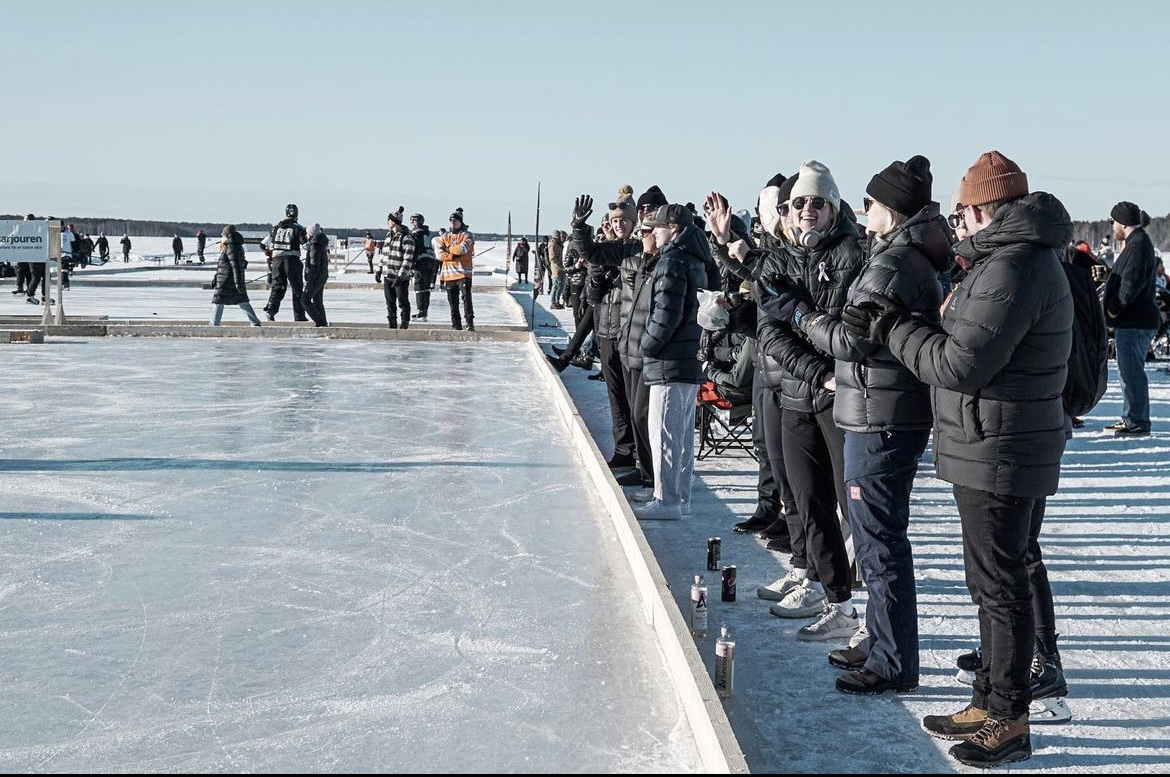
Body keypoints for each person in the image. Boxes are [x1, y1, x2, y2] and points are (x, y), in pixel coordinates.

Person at [843, 149, 1073, 767]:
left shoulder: (1014, 269)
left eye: (962, 213)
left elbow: (957, 364)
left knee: (1000, 586)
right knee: (992, 581)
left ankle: (1009, 717)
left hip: (1000, 445)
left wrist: (891, 326)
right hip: (996, 441)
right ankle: (991, 697)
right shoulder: (1009, 262)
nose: (956, 223)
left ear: (980, 210)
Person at [788, 156, 949, 693]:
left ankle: (892, 661)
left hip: (880, 415)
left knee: (879, 544)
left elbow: (853, 341)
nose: (864, 211)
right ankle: (880, 642)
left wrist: (803, 318)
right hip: (879, 409)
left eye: (871, 203)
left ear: (891, 210)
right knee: (877, 540)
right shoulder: (897, 257)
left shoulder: (894, 263)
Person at [753, 162, 864, 639]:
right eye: (799, 202)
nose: (806, 210)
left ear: (833, 207)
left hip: (843, 402)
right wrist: (817, 372)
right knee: (808, 503)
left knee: (853, 508)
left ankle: (875, 616)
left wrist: (801, 317)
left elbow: (842, 326)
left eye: (817, 202)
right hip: (800, 394)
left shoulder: (850, 252)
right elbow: (768, 331)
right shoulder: (779, 257)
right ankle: (837, 603)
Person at [614, 201, 708, 520]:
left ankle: (666, 500)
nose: (653, 232)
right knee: (680, 434)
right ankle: (679, 496)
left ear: (674, 229)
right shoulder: (696, 257)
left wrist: (648, 346)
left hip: (670, 360)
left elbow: (666, 313)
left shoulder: (673, 260)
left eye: (658, 227)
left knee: (665, 432)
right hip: (687, 358)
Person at [568, 187, 641, 471]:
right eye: (614, 221)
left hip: (630, 332)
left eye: (623, 220)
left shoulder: (636, 248)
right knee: (615, 395)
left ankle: (640, 453)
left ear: (633, 221)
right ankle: (623, 449)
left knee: (633, 397)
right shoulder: (613, 249)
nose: (618, 224)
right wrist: (579, 227)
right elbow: (593, 292)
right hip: (608, 331)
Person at [1101, 200, 1158, 436]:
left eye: (1114, 221)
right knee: (1128, 371)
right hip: (1134, 321)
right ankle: (1131, 417)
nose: (1112, 226)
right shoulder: (1137, 242)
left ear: (1122, 223)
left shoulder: (1137, 245)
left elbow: (1130, 283)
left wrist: (1114, 309)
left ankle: (1137, 420)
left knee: (1131, 371)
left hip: (1134, 322)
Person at [209, 224, 262, 326]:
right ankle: (254, 322)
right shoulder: (234, 245)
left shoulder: (232, 246)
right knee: (241, 301)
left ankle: (214, 324)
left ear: (227, 235)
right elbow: (226, 265)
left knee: (219, 302)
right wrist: (216, 278)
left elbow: (236, 266)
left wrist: (238, 283)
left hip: (227, 280)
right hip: (227, 279)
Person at [264, 203, 308, 322]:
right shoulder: (298, 228)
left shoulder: (276, 228)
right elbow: (306, 246)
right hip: (292, 260)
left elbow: (265, 244)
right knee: (297, 289)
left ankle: (270, 311)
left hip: (277, 261)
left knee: (277, 287)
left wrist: (269, 255)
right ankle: (299, 316)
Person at [436, 207, 476, 331]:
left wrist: (448, 249)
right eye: (451, 221)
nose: (453, 223)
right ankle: (456, 324)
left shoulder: (467, 235)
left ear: (460, 222)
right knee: (452, 302)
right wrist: (453, 254)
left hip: (463, 272)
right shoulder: (445, 236)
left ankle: (469, 322)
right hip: (448, 274)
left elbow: (463, 249)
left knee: (466, 298)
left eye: (456, 221)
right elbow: (439, 254)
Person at [379, 207, 417, 329]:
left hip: (400, 277)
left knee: (402, 302)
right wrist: (379, 269)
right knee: (390, 303)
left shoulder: (407, 238)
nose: (387, 222)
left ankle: (404, 324)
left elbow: (408, 259)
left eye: (388, 220)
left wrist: (400, 276)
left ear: (393, 221)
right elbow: (384, 254)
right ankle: (392, 325)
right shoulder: (388, 235)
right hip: (387, 275)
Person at [409, 214, 437, 322]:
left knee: (419, 286)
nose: (411, 224)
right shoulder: (427, 232)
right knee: (426, 287)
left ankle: (421, 311)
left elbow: (416, 248)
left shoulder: (416, 232)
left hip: (422, 260)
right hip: (431, 259)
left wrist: (412, 264)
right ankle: (424, 312)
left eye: (412, 222)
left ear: (416, 222)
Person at [301, 222, 329, 327]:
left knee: (305, 300)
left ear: (311, 234)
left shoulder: (314, 246)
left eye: (307, 233)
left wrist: (310, 281)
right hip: (322, 276)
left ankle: (320, 321)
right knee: (317, 301)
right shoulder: (320, 243)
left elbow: (314, 265)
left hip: (316, 278)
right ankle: (323, 322)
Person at [547, 230, 566, 309]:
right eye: (558, 235)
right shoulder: (553, 244)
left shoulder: (559, 244)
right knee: (556, 285)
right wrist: (559, 266)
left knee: (560, 286)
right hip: (556, 268)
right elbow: (552, 258)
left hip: (561, 268)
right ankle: (553, 302)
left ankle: (557, 301)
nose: (560, 236)